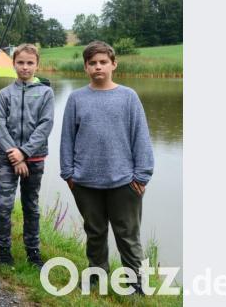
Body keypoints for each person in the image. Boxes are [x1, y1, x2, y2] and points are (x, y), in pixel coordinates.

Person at [60, 41, 154, 294]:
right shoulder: (76, 98)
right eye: (92, 63)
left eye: (103, 62)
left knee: (128, 236)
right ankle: (97, 276)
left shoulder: (128, 97)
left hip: (125, 182)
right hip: (85, 182)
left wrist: (142, 175)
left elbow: (141, 137)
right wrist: (68, 173)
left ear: (114, 64)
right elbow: (67, 138)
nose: (98, 67)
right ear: (85, 67)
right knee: (95, 232)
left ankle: (135, 285)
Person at [0, 44, 55, 268]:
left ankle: (33, 251)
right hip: (8, 159)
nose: (25, 67)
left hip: (35, 158)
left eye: (30, 63)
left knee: (31, 206)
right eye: (21, 62)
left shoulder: (46, 93)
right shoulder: (4, 94)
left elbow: (46, 124)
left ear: (37, 65)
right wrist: (15, 155)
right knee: (3, 205)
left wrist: (25, 152)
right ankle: (4, 250)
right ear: (14, 64)